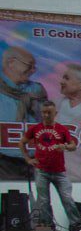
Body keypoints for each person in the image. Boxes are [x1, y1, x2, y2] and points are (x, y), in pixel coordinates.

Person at [21, 100, 81, 231]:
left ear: (55, 113)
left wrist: (64, 146)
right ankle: (49, 226)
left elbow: (73, 146)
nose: (46, 115)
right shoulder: (35, 129)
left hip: (59, 171)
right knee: (43, 200)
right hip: (41, 170)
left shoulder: (61, 129)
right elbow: (22, 142)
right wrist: (28, 159)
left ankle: (76, 224)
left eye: (49, 112)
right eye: (44, 112)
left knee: (67, 198)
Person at [0, 46, 46, 180]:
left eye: (34, 67)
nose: (33, 70)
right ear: (11, 63)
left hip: (35, 160)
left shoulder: (36, 89)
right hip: (5, 161)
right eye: (29, 65)